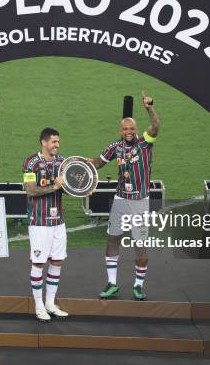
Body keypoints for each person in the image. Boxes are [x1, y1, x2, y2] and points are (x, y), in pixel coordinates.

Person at [89, 93, 160, 301]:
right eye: (125, 129)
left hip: (140, 200)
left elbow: (156, 126)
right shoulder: (115, 147)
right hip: (120, 199)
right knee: (112, 240)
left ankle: (138, 286)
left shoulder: (145, 142)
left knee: (139, 243)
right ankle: (112, 283)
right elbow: (98, 163)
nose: (129, 132)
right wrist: (81, 163)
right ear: (121, 131)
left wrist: (149, 108)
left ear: (135, 130)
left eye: (132, 129)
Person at [22, 128, 69, 321]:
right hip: (39, 221)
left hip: (58, 220)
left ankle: (50, 303)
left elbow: (68, 186)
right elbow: (30, 190)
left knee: (57, 260)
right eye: (54, 142)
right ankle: (38, 305)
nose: (57, 145)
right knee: (39, 262)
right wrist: (55, 186)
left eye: (58, 142)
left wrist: (82, 188)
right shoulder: (31, 162)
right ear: (44, 142)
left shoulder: (62, 162)